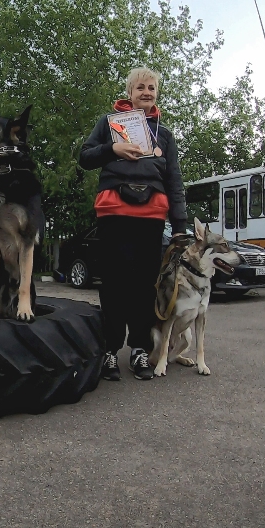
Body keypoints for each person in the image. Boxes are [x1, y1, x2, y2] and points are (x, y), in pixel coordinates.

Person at [79, 67, 186, 381]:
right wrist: (113, 149)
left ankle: (139, 350)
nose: (147, 93)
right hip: (114, 212)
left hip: (151, 216)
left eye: (151, 88)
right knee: (113, 283)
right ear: (129, 92)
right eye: (140, 87)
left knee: (144, 286)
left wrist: (179, 224)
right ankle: (110, 350)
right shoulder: (109, 124)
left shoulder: (164, 134)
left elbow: (174, 181)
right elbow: (84, 157)